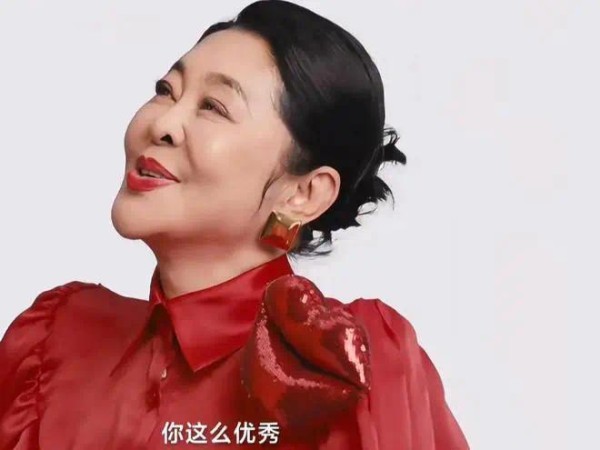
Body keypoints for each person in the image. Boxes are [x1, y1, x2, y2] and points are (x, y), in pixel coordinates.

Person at [0, 1, 468, 449]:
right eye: (166, 90)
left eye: (214, 107)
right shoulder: (55, 342)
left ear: (303, 193)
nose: (163, 124)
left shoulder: (347, 361)